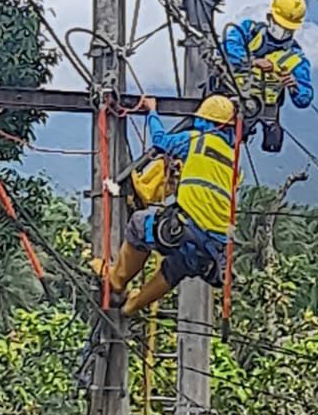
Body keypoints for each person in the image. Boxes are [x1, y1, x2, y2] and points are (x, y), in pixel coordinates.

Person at [98, 94, 240, 316]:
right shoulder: (234, 158)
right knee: (178, 266)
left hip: (189, 228)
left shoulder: (197, 140)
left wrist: (152, 112)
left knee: (139, 224)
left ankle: (116, 282)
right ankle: (131, 306)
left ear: (205, 121)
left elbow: (161, 141)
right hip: (217, 244)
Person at [224, 0, 314, 152]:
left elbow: (304, 98)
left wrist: (294, 86)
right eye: (280, 26)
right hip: (229, 100)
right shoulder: (249, 31)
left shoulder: (296, 59)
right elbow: (230, 45)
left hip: (262, 110)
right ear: (269, 18)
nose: (283, 32)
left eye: (288, 29)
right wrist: (252, 61)